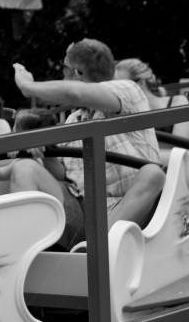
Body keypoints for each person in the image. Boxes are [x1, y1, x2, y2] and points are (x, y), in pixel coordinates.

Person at [12, 38, 166, 250]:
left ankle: (97, 251)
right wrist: (46, 152)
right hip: (83, 208)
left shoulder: (128, 91)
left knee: (153, 174)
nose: (62, 76)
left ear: (76, 74)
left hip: (128, 211)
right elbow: (62, 175)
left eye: (64, 69)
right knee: (24, 169)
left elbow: (74, 92)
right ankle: (29, 258)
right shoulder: (74, 118)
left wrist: (27, 86)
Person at [115, 57, 189, 139]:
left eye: (121, 86)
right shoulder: (126, 116)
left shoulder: (179, 103)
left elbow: (179, 149)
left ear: (141, 83)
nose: (116, 93)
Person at [0, 107, 57, 181]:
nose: (12, 130)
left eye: (16, 128)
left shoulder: (33, 158)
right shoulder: (23, 156)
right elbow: (0, 173)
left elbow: (1, 174)